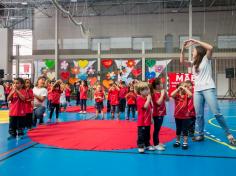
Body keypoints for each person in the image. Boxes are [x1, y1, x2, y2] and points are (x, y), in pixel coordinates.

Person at [180, 39, 236, 146]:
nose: (192, 52)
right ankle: (200, 135)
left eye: (194, 50)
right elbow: (182, 61)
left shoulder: (206, 59)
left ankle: (229, 135)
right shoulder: (193, 63)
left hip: (208, 88)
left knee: (216, 113)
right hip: (197, 91)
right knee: (199, 115)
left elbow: (210, 48)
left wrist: (195, 41)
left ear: (199, 52)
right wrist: (183, 48)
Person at [171, 82, 193, 150]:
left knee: (185, 129)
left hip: (185, 116)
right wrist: (178, 89)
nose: (183, 89)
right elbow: (172, 95)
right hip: (177, 115)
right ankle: (177, 141)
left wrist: (185, 88)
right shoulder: (177, 96)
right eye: (182, 87)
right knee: (178, 129)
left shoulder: (187, 96)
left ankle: (185, 142)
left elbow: (191, 95)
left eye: (186, 87)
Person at [135, 82, 155, 153]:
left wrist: (152, 118)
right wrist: (148, 99)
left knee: (147, 133)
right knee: (141, 134)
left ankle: (147, 144)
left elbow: (150, 109)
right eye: (146, 90)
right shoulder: (139, 98)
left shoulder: (147, 98)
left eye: (148, 89)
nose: (148, 91)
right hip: (142, 121)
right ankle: (140, 145)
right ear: (140, 91)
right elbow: (145, 107)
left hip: (148, 120)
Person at [151, 78, 169, 151]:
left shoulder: (161, 92)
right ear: (157, 85)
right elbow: (158, 103)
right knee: (156, 129)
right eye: (161, 83)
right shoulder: (154, 94)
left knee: (158, 129)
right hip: (157, 113)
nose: (162, 84)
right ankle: (155, 144)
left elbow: (167, 99)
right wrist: (162, 95)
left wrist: (165, 93)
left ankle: (157, 142)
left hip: (162, 113)